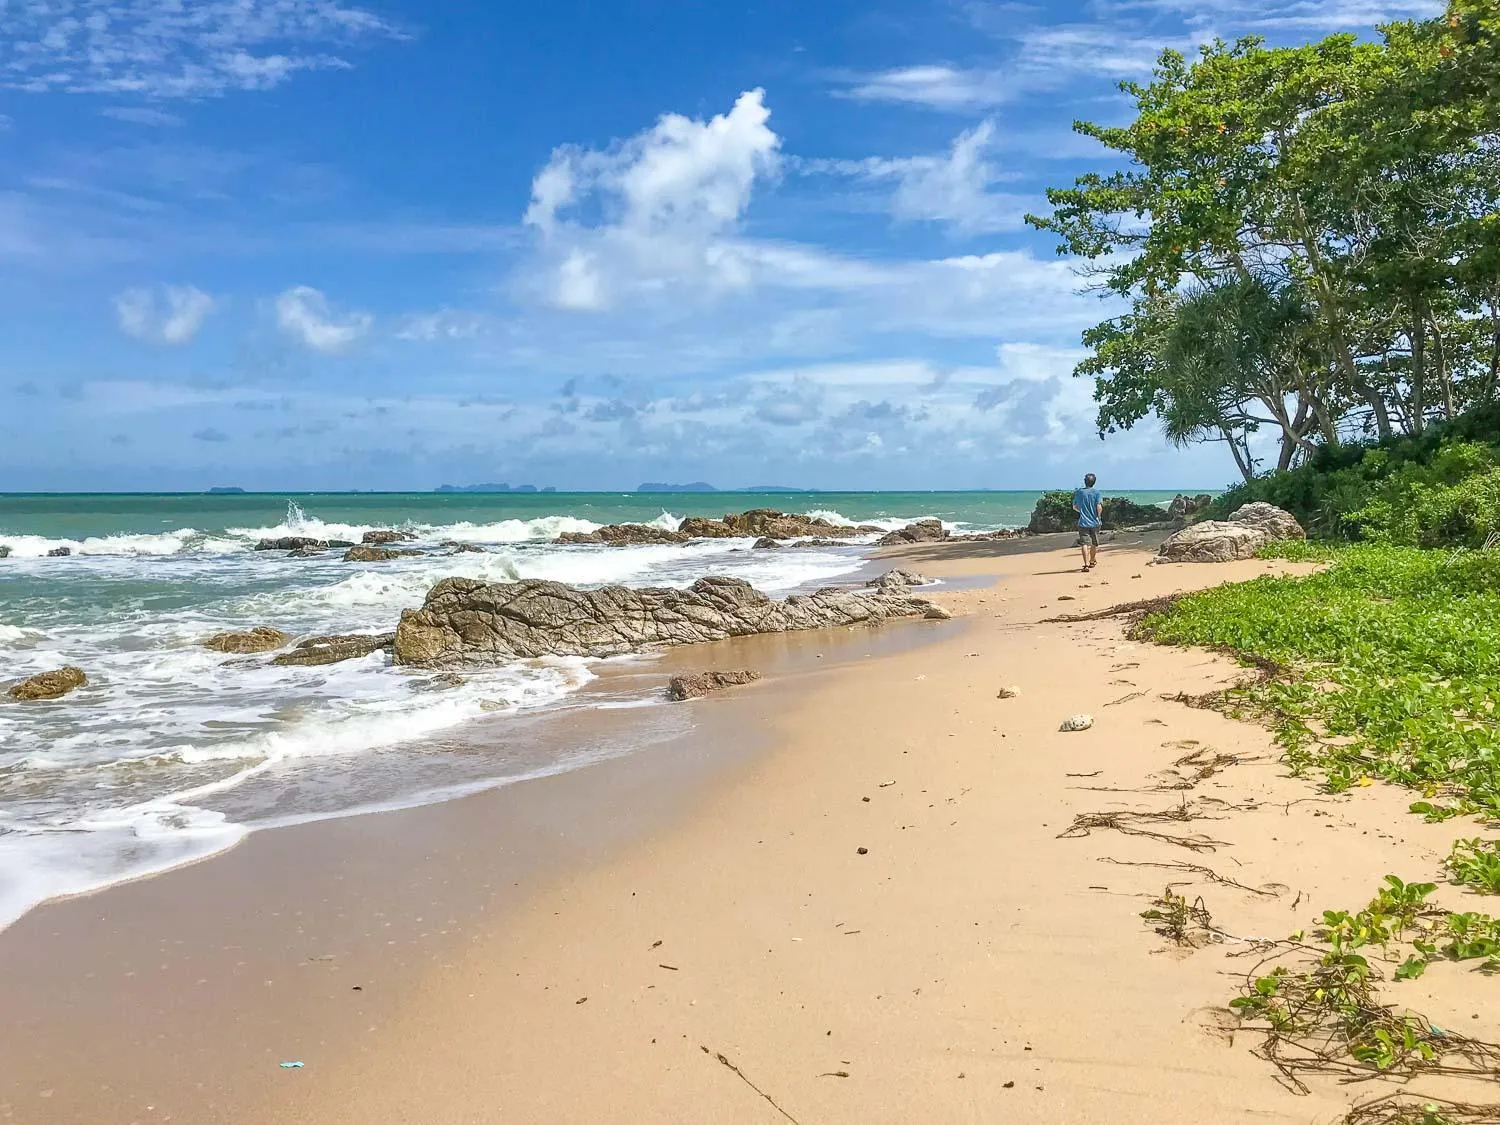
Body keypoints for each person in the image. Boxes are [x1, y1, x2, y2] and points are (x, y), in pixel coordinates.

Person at [1072, 472, 1102, 571]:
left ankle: (1085, 564)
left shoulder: (1079, 492)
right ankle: (1092, 560)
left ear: (1085, 482)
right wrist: (1098, 516)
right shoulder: (1097, 493)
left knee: (1084, 544)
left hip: (1083, 522)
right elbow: (1099, 507)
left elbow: (1075, 507)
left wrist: (1082, 511)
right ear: (1094, 482)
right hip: (1094, 522)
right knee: (1094, 543)